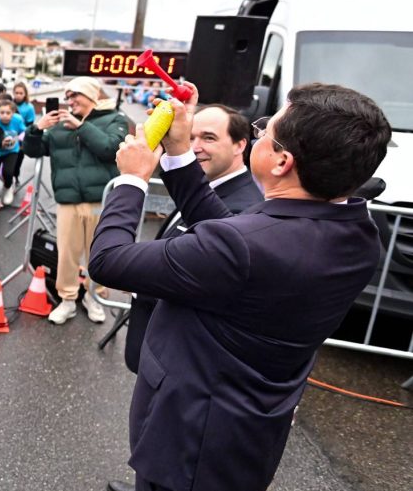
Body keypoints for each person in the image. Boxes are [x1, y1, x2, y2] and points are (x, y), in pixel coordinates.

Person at [90, 83, 390, 491]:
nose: (259, 134)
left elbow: (108, 260)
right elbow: (231, 233)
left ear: (282, 161)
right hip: (249, 431)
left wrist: (132, 180)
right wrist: (178, 153)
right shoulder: (359, 235)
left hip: (189, 444)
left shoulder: (243, 247)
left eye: (265, 130)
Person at [106, 104, 264, 491]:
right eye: (191, 137)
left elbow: (111, 261)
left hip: (189, 369)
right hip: (162, 348)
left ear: (241, 145)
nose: (195, 147)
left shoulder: (245, 207)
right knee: (149, 436)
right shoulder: (208, 184)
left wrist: (131, 181)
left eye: (208, 138)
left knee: (166, 448)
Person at [24, 76, 129, 324]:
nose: (70, 101)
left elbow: (110, 149)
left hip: (100, 200)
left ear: (91, 95)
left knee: (97, 253)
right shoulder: (59, 125)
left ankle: (94, 296)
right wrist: (37, 129)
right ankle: (68, 299)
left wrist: (81, 127)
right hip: (67, 199)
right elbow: (33, 150)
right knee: (67, 254)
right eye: (68, 97)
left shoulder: (115, 119)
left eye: (75, 96)